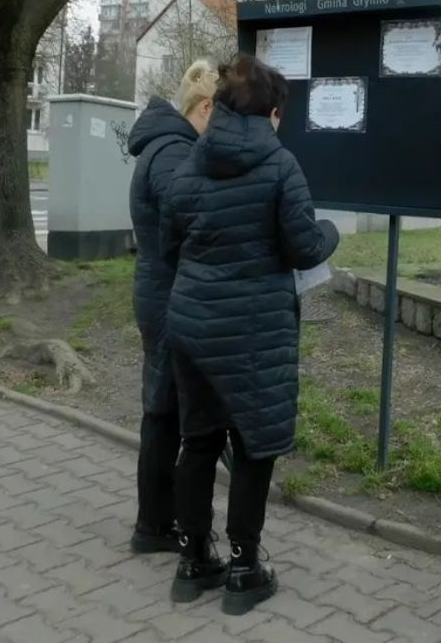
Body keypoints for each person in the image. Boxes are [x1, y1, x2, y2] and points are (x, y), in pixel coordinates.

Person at [160, 53, 339, 614]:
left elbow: (168, 245)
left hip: (190, 325)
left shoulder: (189, 164)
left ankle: (191, 563)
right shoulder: (280, 165)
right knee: (255, 446)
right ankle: (243, 569)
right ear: (271, 110)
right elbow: (304, 247)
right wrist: (328, 231)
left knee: (199, 441)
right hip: (254, 331)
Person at [125, 61, 218, 555]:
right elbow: (188, 216)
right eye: (219, 117)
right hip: (165, 296)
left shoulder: (169, 146)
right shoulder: (172, 151)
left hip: (160, 290)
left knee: (169, 408)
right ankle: (155, 525)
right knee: (163, 410)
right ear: (204, 108)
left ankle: (161, 518)